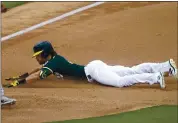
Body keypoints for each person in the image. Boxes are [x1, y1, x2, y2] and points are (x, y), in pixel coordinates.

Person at [4, 41, 177, 89]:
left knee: (120, 82)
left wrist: (20, 83)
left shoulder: (54, 63)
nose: (36, 59)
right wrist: (22, 76)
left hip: (94, 71)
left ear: (44, 54)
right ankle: (164, 66)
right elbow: (37, 71)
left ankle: (156, 75)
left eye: (37, 55)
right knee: (129, 70)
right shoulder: (53, 61)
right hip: (95, 67)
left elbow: (37, 77)